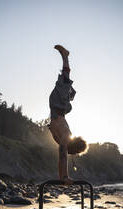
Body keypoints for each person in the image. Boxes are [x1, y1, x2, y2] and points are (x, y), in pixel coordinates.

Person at [49, 45, 87, 184]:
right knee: (65, 76)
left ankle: (65, 56)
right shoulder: (65, 136)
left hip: (60, 106)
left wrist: (63, 177)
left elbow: (63, 155)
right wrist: (64, 177)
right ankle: (65, 55)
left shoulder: (62, 139)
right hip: (59, 105)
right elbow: (62, 156)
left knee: (65, 79)